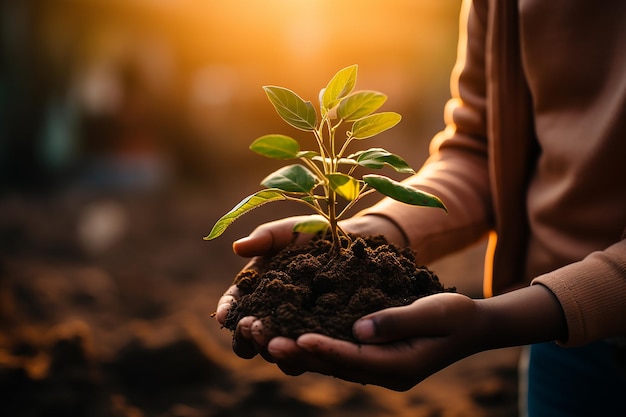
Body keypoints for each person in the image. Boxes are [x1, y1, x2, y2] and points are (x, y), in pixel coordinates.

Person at [215, 0, 626, 415]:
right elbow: (480, 149)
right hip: (561, 341)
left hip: (549, 311)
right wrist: (376, 230)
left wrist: (496, 321)